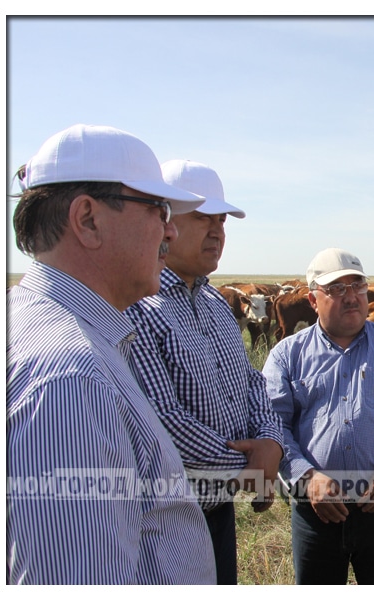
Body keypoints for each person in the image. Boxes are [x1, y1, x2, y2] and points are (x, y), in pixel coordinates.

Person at [7, 124, 216, 584]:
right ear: (88, 220)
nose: (171, 229)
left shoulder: (45, 326)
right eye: (157, 210)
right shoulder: (68, 381)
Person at [125, 159, 285, 585]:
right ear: (164, 221)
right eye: (202, 218)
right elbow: (163, 420)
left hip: (218, 507)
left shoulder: (216, 304)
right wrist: (250, 466)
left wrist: (270, 439)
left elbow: (251, 381)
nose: (217, 231)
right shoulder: (140, 305)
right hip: (166, 517)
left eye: (222, 221)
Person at [262, 248, 374, 584]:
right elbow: (271, 423)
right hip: (314, 509)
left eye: (358, 286)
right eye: (336, 289)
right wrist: (305, 476)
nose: (351, 297)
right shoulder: (287, 354)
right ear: (312, 300)